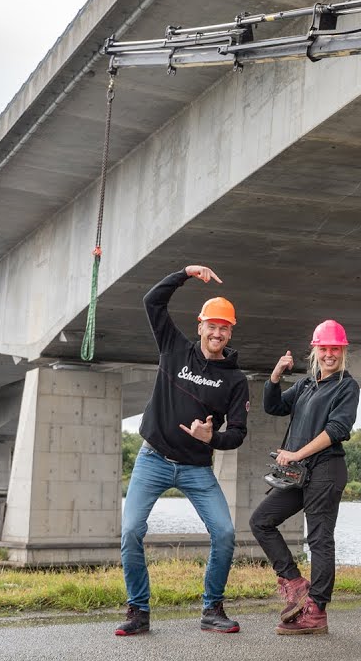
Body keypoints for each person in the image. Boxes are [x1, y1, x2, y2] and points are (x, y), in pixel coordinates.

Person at [116, 265, 250, 636]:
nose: (217, 333)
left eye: (224, 327)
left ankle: (212, 608)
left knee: (223, 533)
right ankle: (138, 611)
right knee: (130, 532)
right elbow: (152, 301)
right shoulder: (174, 348)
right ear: (201, 326)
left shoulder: (236, 381)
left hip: (195, 467)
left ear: (230, 332)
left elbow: (237, 433)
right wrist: (185, 273)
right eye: (212, 325)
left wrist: (212, 439)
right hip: (152, 458)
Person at [251, 319, 360, 635]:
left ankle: (316, 611)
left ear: (342, 351)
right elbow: (273, 407)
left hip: (326, 470)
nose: (329, 354)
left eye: (335, 349)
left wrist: (297, 453)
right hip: (299, 475)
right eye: (324, 348)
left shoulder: (346, 386)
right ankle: (295, 583)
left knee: (319, 539)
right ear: (315, 351)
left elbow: (337, 430)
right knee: (261, 520)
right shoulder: (306, 384)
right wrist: (275, 375)